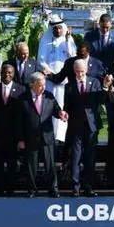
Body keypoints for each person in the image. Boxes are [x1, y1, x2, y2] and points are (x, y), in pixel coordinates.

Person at [62, 59, 109, 196]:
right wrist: (65, 113)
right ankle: (75, 188)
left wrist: (105, 87)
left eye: (82, 71)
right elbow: (67, 106)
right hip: (76, 126)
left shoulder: (94, 82)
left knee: (90, 158)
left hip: (91, 126)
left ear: (86, 70)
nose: (80, 74)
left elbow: (100, 100)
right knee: (76, 157)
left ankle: (89, 187)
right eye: (77, 72)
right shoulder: (69, 87)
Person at [18, 72, 66, 198]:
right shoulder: (23, 98)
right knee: (31, 165)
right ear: (32, 85)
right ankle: (32, 190)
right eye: (40, 85)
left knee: (50, 164)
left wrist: (61, 114)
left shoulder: (48, 96)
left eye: (44, 85)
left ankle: (53, 189)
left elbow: (56, 110)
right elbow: (18, 121)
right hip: (30, 137)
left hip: (47, 136)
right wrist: (21, 139)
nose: (43, 88)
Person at [0, 63, 26, 196]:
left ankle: (10, 191)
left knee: (12, 165)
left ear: (13, 74)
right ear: (1, 74)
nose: (7, 75)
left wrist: (21, 135)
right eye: (5, 72)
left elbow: (23, 114)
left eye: (10, 72)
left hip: (14, 136)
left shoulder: (21, 89)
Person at [40, 14, 76, 144]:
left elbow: (73, 55)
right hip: (50, 80)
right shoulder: (45, 41)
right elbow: (41, 60)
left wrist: (68, 40)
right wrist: (49, 73)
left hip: (63, 81)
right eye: (55, 29)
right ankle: (51, 135)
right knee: (51, 106)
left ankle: (61, 136)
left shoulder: (67, 41)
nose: (58, 31)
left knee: (62, 107)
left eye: (60, 28)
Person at [84, 13, 114, 81]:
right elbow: (84, 54)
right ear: (99, 24)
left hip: (109, 74)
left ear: (111, 24)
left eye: (107, 27)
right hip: (93, 73)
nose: (105, 30)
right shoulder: (89, 36)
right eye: (103, 27)